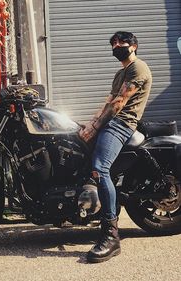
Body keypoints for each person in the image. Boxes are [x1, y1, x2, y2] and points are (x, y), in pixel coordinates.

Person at [79, 31, 152, 263]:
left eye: (122, 42)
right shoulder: (120, 72)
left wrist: (96, 127)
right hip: (111, 121)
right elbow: (108, 101)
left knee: (101, 169)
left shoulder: (137, 68)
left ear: (134, 46)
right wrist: (89, 124)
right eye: (113, 43)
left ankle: (111, 236)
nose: (117, 45)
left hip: (122, 124)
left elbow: (119, 104)